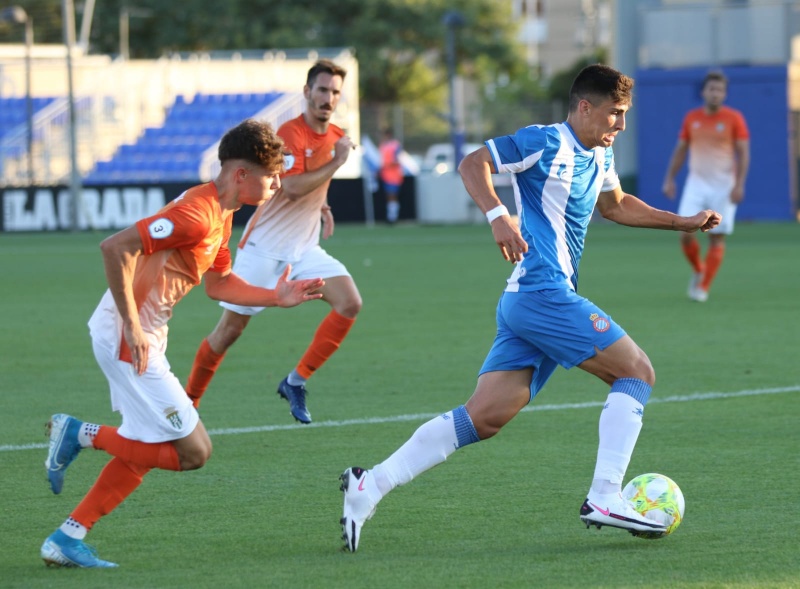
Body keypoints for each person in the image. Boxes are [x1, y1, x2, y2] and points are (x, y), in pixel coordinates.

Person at [339, 64, 722, 552]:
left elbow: (615, 205)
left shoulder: (600, 153)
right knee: (637, 372)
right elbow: (472, 162)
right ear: (585, 107)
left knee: (484, 418)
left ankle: (370, 484)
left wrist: (681, 222)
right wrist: (498, 216)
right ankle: (605, 496)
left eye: (625, 114)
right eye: (615, 113)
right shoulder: (544, 140)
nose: (621, 125)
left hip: (528, 301)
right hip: (543, 292)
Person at [40, 119, 325, 568]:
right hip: (128, 339)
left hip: (143, 336)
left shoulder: (222, 215)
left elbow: (220, 285)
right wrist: (132, 327)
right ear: (240, 174)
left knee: (147, 446)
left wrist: (277, 296)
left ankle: (67, 537)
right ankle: (79, 433)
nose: (277, 183)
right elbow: (115, 247)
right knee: (194, 451)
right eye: (271, 175)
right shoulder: (197, 214)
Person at [184, 59, 360, 424]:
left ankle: (295, 382)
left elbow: (311, 184)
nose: (328, 98)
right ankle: (189, 403)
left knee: (349, 303)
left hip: (304, 249)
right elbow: (291, 188)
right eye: (322, 89)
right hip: (263, 249)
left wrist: (322, 203)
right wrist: (337, 163)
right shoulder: (290, 133)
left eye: (335, 92)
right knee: (229, 331)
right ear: (307, 91)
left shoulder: (335, 135)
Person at [662, 70, 750, 302]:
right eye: (711, 89)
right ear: (703, 92)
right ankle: (699, 269)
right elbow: (681, 149)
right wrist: (669, 178)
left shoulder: (734, 118)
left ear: (725, 94)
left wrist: (739, 184)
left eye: (719, 90)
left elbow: (743, 152)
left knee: (716, 238)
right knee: (684, 233)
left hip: (724, 187)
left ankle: (703, 286)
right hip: (696, 185)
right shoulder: (692, 118)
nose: (715, 93)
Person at [378, 127, 404, 224]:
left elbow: (397, 161)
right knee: (388, 196)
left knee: (392, 195)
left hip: (394, 176)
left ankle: (393, 217)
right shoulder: (382, 146)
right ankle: (391, 216)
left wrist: (387, 165)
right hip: (385, 175)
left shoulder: (395, 145)